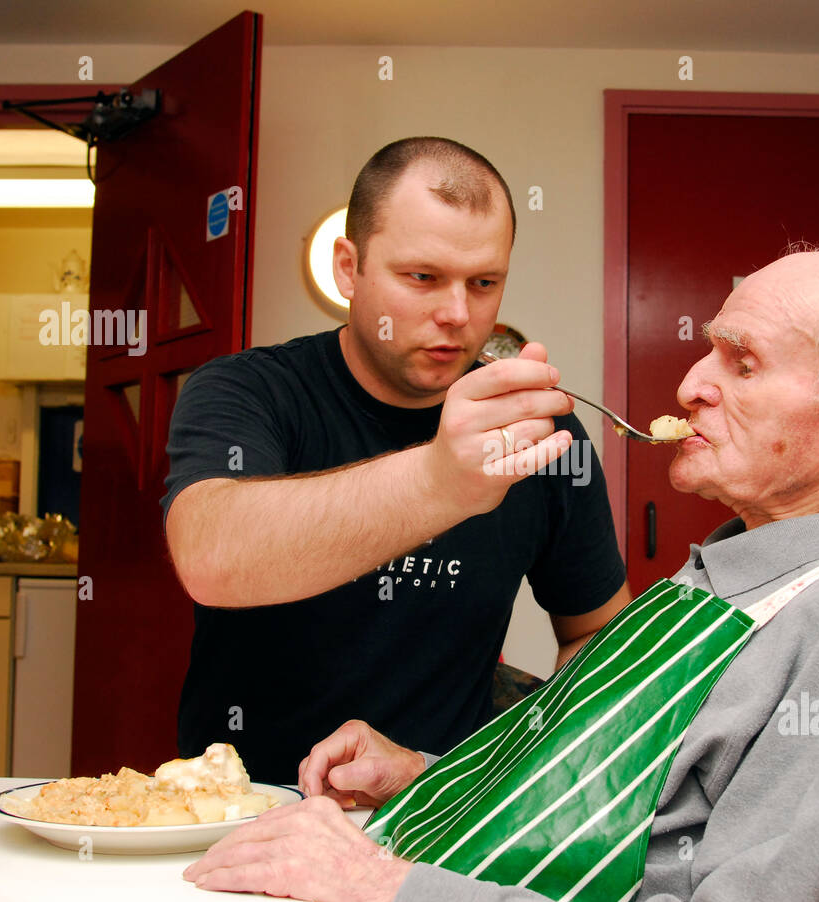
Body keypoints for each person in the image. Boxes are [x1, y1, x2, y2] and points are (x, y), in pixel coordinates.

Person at [183, 245, 819, 902]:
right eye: (710, 348)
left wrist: (377, 887)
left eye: (741, 363)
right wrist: (428, 777)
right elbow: (618, 801)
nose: (690, 385)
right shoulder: (730, 574)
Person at [162, 137, 631, 785]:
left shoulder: (537, 431)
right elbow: (212, 558)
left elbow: (598, 640)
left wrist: (516, 776)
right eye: (423, 278)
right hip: (244, 811)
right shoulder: (248, 393)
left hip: (439, 816)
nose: (457, 315)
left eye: (484, 283)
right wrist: (440, 481)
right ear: (348, 268)